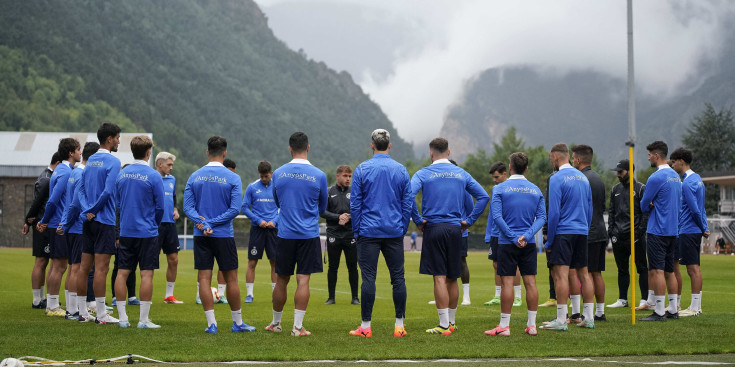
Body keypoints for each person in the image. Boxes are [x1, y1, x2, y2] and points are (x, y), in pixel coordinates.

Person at [410, 137, 489, 335]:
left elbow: (407, 196)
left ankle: (444, 325)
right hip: (455, 230)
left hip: (434, 228)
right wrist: (468, 221)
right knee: (453, 277)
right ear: (449, 152)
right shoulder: (461, 173)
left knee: (439, 277)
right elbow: (483, 197)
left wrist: (418, 220)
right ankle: (451, 323)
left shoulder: (424, 173)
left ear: (430, 153)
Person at [185, 136, 254, 333]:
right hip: (223, 234)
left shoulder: (194, 176)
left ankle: (211, 324)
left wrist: (202, 223)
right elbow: (234, 209)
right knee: (231, 279)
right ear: (224, 153)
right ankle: (238, 323)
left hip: (201, 236)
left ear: (207, 152)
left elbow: (187, 207)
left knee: (204, 279)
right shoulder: (233, 177)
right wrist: (212, 223)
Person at [348, 129, 412, 338]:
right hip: (393, 231)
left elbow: (355, 204)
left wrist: (357, 230)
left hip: (368, 231)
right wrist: (401, 228)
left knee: (368, 278)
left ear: (372, 145)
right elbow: (407, 204)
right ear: (390, 145)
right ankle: (399, 326)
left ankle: (366, 327)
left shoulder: (362, 169)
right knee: (398, 278)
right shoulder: (401, 170)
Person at [265, 132, 328, 337]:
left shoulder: (279, 173)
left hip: (285, 234)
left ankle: (276, 323)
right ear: (308, 148)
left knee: (281, 279)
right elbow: (323, 207)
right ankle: (297, 328)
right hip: (308, 234)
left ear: (290, 148)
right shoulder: (319, 175)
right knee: (303, 280)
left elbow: (277, 201)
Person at [485, 152, 545, 336]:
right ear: (526, 168)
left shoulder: (500, 189)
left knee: (507, 283)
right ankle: (532, 325)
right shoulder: (535, 190)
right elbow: (542, 217)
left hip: (506, 242)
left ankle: (504, 326)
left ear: (510, 167)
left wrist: (512, 237)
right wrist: (526, 236)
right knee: (531, 282)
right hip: (527, 243)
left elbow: (497, 217)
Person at [540, 143, 595, 331]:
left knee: (561, 275)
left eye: (550, 159)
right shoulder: (583, 177)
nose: (551, 162)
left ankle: (561, 320)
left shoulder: (556, 178)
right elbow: (590, 209)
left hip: (563, 231)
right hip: (581, 230)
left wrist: (550, 239)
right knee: (584, 275)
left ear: (555, 157)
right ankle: (588, 317)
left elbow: (553, 213)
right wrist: (585, 229)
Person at [114, 136, 165, 328]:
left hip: (127, 231)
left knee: (122, 273)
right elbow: (160, 207)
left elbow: (118, 203)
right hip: (147, 232)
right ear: (148, 152)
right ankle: (143, 320)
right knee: (146, 274)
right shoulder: (153, 176)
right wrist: (154, 223)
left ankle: (123, 319)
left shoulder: (122, 174)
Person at [77, 123, 122, 325]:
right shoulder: (113, 161)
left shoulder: (90, 160)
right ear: (110, 139)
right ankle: (102, 314)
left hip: (88, 220)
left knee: (84, 267)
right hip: (103, 220)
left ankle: (82, 312)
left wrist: (87, 209)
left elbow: (81, 189)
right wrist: (94, 209)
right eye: (118, 138)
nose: (119, 141)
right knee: (101, 269)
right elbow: (108, 191)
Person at [639, 141, 682, 321]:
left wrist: (648, 205)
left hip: (658, 230)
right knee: (669, 271)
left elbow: (643, 204)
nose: (648, 157)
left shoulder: (655, 177)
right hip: (673, 230)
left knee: (656, 271)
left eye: (649, 154)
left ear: (656, 155)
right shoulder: (675, 176)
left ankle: (658, 311)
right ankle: (673, 309)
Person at [37, 138, 81, 317]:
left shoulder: (63, 170)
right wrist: (45, 220)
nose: (80, 153)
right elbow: (53, 199)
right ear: (71, 153)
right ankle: (53, 306)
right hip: (59, 225)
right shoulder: (64, 172)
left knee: (60, 266)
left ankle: (55, 304)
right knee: (59, 266)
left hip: (58, 224)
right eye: (78, 150)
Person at [57, 142, 99, 320]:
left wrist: (65, 223)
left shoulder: (74, 172)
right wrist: (68, 223)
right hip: (78, 227)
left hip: (72, 226)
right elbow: (75, 203)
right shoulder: (82, 174)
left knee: (73, 267)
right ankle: (74, 311)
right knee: (77, 268)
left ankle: (72, 308)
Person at [571, 144, 608, 321]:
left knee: (583, 274)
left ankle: (584, 313)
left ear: (578, 159)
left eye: (572, 158)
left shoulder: (580, 179)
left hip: (588, 231)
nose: (571, 161)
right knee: (597, 273)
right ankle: (599, 312)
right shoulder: (599, 179)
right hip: (601, 229)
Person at [670, 147, 709, 317]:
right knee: (694, 268)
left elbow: (694, 209)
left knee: (692, 269)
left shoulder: (686, 183)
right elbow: (702, 207)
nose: (672, 166)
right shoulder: (698, 179)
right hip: (694, 229)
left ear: (681, 161)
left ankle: (695, 307)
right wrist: (704, 226)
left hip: (688, 229)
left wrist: (702, 227)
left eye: (673, 162)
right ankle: (695, 306)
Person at [606, 160, 649, 310]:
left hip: (636, 237)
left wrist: (639, 232)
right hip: (619, 236)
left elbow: (645, 213)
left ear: (630, 171)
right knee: (622, 269)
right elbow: (611, 212)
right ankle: (622, 299)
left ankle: (644, 299)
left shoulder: (641, 188)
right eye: (617, 172)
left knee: (642, 268)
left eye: (621, 172)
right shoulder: (615, 189)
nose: (618, 174)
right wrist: (611, 231)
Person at [23, 152, 61, 309]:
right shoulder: (47, 178)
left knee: (44, 261)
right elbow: (37, 202)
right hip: (42, 225)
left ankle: (41, 298)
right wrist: (28, 219)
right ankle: (36, 300)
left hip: (42, 223)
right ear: (58, 163)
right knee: (41, 260)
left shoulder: (46, 176)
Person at [484, 162, 523, 308]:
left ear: (505, 173)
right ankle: (497, 295)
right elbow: (492, 215)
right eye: (493, 177)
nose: (494, 180)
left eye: (496, 176)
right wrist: (489, 233)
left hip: (509, 233)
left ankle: (518, 296)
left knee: (514, 265)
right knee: (496, 264)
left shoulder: (511, 188)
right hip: (495, 233)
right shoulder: (495, 189)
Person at [321, 165, 360, 305]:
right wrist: (338, 217)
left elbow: (361, 210)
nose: (348, 179)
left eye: (350, 176)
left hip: (350, 234)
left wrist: (348, 217)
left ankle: (355, 297)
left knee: (352, 266)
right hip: (333, 234)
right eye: (345, 176)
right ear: (338, 176)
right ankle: (331, 297)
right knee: (333, 266)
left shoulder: (355, 192)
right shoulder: (328, 191)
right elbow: (322, 212)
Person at [242, 161, 278, 304]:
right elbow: (244, 208)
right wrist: (258, 220)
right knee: (252, 261)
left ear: (271, 173)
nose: (264, 179)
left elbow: (283, 207)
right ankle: (249, 294)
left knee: (275, 262)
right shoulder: (252, 187)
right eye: (262, 176)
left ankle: (275, 294)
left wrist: (274, 221)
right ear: (259, 174)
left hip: (273, 229)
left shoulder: (277, 187)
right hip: (257, 229)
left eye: (266, 176)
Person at [155, 152, 184, 304]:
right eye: (169, 165)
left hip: (170, 225)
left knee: (174, 259)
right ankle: (146, 296)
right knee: (150, 261)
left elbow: (172, 198)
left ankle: (169, 295)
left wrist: (175, 209)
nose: (171, 168)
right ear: (160, 164)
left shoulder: (172, 179)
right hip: (155, 225)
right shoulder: (152, 178)